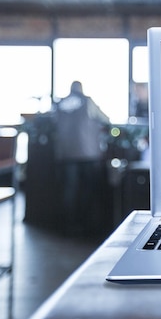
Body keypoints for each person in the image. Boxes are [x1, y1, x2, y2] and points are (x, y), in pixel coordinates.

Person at [53, 81, 110, 235]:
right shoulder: (88, 102)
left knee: (69, 190)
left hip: (66, 154)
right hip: (88, 154)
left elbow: (53, 123)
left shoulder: (60, 104)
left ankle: (68, 225)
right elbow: (105, 119)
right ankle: (86, 225)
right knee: (88, 190)